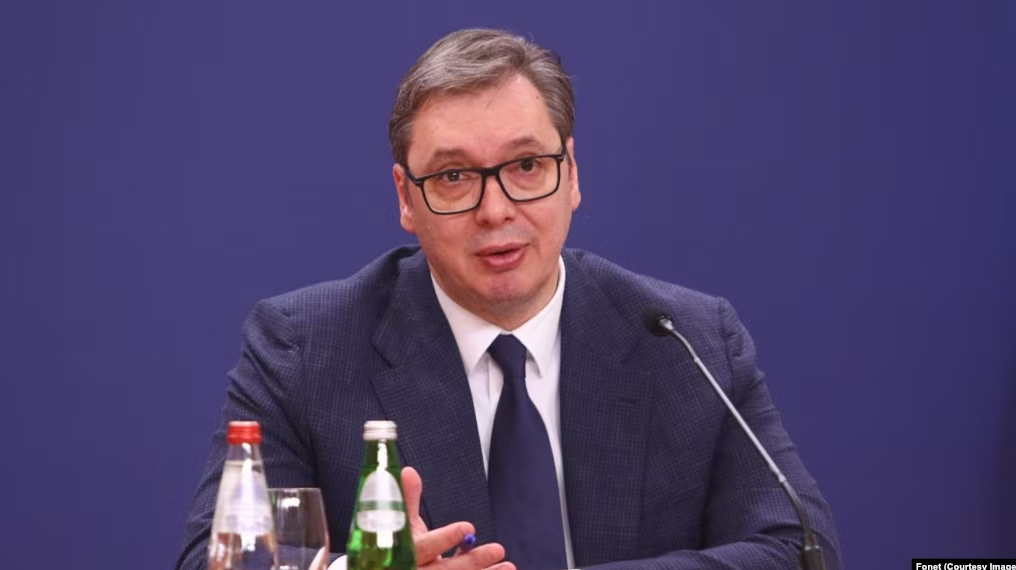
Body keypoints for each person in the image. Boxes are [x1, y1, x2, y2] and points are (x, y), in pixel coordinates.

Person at [176, 28, 841, 570]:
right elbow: (218, 562)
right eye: (454, 176)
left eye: (526, 166)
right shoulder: (305, 350)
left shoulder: (687, 341)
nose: (496, 210)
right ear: (406, 198)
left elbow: (799, 550)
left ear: (571, 174)